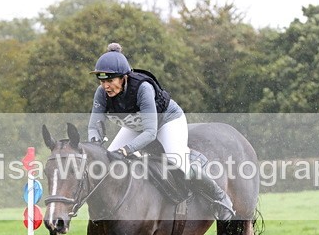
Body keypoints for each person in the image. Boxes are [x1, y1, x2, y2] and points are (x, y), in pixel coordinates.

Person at [87, 42, 235, 221]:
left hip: (166, 121)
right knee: (107, 161)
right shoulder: (101, 93)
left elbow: (150, 133)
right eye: (102, 81)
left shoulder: (142, 88)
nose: (106, 86)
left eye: (110, 80)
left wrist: (126, 150)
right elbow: (94, 126)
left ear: (124, 78)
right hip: (136, 126)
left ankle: (221, 198)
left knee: (178, 161)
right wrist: (95, 144)